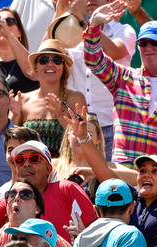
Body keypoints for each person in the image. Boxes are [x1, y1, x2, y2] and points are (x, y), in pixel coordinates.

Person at [0, 140, 95, 244]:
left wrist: (83, 237)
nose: (26, 164)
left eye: (34, 158)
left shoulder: (66, 188)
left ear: (48, 169)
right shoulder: (13, 199)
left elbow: (96, 228)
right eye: (20, 160)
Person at [84, 2, 157, 166]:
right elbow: (94, 60)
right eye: (143, 43)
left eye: (154, 43)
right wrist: (94, 25)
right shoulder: (125, 77)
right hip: (124, 171)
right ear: (138, 48)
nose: (148, 48)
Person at [64, 0, 136, 160]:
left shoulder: (124, 30)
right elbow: (43, 53)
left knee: (114, 184)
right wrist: (62, 10)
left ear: (109, 1)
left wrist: (86, 21)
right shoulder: (68, 30)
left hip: (114, 127)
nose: (91, 0)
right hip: (79, 127)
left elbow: (114, 51)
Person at [12, 39, 86, 158]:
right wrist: (15, 115)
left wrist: (59, 115)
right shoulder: (23, 99)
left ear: (63, 68)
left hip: (64, 169)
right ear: (36, 68)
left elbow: (83, 139)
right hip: (30, 168)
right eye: (43, 60)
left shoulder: (75, 98)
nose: (50, 64)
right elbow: (10, 142)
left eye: (56, 60)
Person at [52, 112, 137, 202]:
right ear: (68, 136)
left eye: (88, 135)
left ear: (98, 139)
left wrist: (97, 172)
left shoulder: (108, 167)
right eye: (76, 133)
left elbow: (137, 178)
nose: (80, 138)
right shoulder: (54, 165)